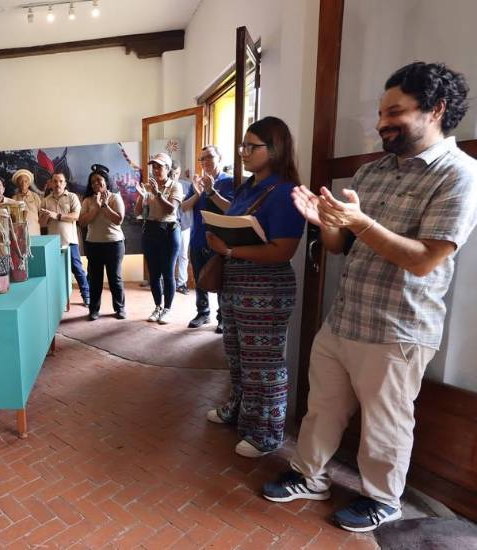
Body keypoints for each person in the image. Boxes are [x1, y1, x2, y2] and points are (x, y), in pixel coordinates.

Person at [264, 62, 477, 532]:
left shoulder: (460, 175)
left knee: (386, 424)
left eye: (395, 112)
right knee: (322, 407)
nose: (382, 123)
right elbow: (342, 247)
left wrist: (360, 223)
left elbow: (424, 259)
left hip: (399, 328)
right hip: (344, 317)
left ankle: (384, 499)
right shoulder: (374, 171)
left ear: (436, 110)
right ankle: (309, 474)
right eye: (381, 112)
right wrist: (327, 226)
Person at [204, 117, 305, 458]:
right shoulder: (248, 187)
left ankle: (267, 433)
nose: (244, 152)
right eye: (242, 146)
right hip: (236, 282)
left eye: (251, 146)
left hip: (266, 288)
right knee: (236, 353)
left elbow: (284, 250)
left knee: (264, 361)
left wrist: (229, 249)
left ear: (274, 149)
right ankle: (239, 409)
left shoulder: (286, 192)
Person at [180, 145, 235, 332]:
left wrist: (211, 191)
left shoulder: (229, 181)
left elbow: (231, 208)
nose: (205, 162)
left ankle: (222, 317)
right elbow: (184, 207)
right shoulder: (198, 182)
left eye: (209, 157)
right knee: (199, 278)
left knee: (221, 279)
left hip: (220, 241)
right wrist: (197, 192)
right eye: (202, 159)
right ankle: (203, 312)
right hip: (198, 239)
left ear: (220, 159)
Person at [134, 152, 185, 324]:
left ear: (168, 168)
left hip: (169, 232)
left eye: (159, 166)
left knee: (168, 273)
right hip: (150, 231)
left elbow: (172, 210)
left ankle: (168, 309)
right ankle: (157, 307)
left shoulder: (175, 186)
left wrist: (157, 194)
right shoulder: (149, 186)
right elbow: (137, 212)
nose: (155, 170)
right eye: (153, 166)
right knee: (154, 275)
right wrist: (142, 196)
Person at [79, 164, 126, 320]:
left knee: (115, 279)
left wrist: (104, 205)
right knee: (95, 279)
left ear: (106, 181)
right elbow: (82, 222)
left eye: (99, 180)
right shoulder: (87, 201)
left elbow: (118, 219)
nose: (95, 184)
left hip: (114, 244)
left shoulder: (115, 197)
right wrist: (96, 207)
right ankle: (94, 310)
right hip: (93, 245)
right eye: (92, 182)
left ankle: (120, 308)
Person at [40, 170, 90, 306]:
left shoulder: (72, 197)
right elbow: (42, 224)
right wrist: (45, 217)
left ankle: (87, 296)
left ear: (65, 183)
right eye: (55, 181)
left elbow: (76, 216)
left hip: (70, 241)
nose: (58, 184)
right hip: (52, 244)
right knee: (55, 272)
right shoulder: (45, 201)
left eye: (61, 181)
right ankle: (58, 300)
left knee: (77, 270)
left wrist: (57, 216)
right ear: (50, 184)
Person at [173, 161, 193, 295]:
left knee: (183, 255)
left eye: (177, 173)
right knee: (168, 255)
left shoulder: (187, 185)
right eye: (172, 173)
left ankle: (181, 283)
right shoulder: (164, 186)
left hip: (185, 224)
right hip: (169, 225)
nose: (174, 176)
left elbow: (192, 204)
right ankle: (167, 282)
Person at [12, 168, 42, 235]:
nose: (23, 183)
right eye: (21, 181)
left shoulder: (35, 196)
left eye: (25, 181)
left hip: (35, 232)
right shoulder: (14, 199)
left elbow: (41, 214)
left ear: (29, 183)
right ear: (17, 183)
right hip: (20, 234)